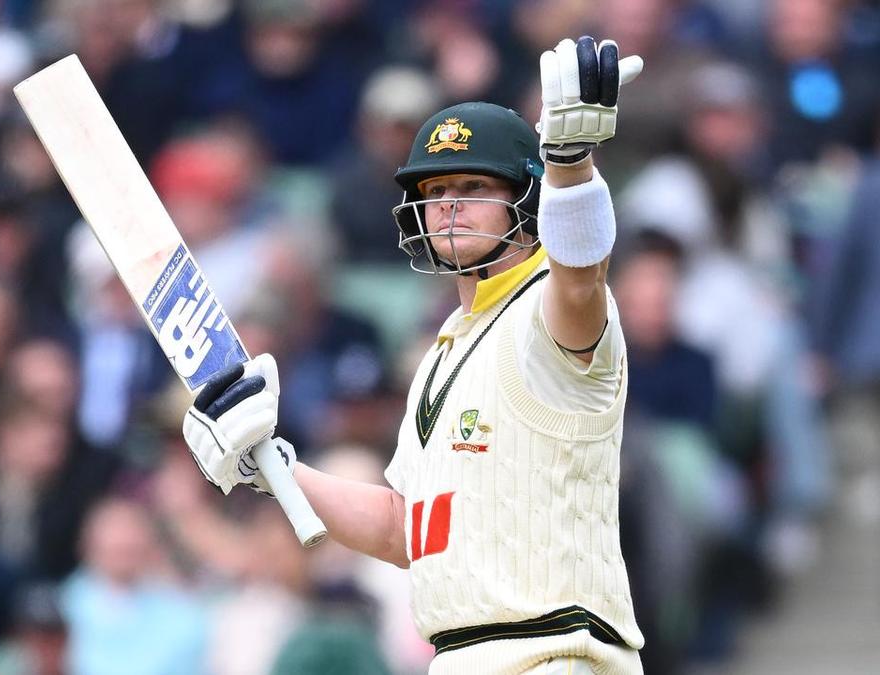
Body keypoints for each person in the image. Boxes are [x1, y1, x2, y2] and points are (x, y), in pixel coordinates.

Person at [182, 37, 647, 673]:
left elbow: (582, 277)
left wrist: (570, 167)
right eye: (436, 188)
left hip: (555, 651)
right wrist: (270, 468)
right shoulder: (446, 347)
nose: (449, 204)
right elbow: (404, 528)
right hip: (458, 655)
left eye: (475, 185)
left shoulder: (550, 309)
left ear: (528, 198)